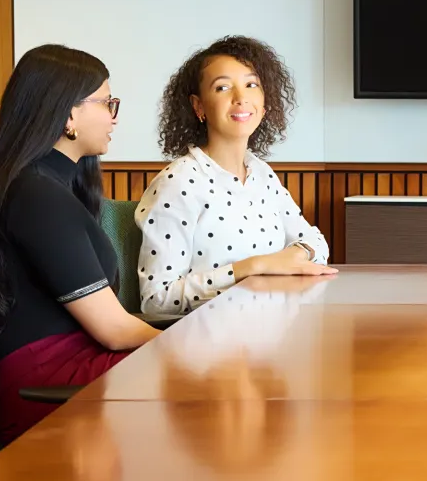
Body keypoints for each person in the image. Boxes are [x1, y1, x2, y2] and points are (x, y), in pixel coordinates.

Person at [0, 44, 159, 443]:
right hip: (49, 383)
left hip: (70, 365)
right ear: (69, 114)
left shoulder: (47, 186)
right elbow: (112, 329)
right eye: (107, 103)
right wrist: (194, 351)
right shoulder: (36, 195)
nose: (114, 117)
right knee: (202, 384)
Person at [136, 36, 334, 317]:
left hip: (270, 337)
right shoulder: (178, 182)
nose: (241, 98)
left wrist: (295, 255)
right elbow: (156, 299)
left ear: (265, 104)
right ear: (199, 106)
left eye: (252, 85)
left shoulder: (262, 175)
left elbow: (316, 243)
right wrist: (252, 268)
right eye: (223, 87)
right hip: (207, 347)